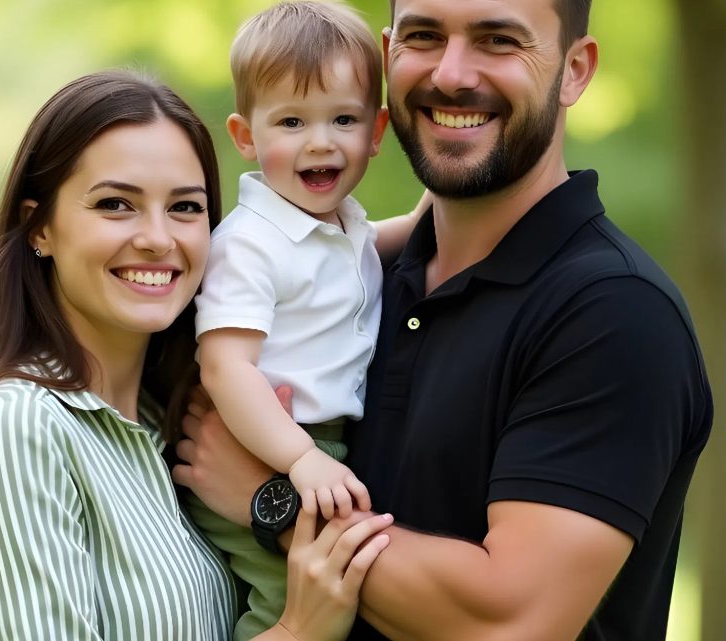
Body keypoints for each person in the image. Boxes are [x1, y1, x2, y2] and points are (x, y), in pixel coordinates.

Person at [174, 0, 714, 639]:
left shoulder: (613, 314)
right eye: (424, 36)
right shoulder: (371, 271)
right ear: (388, 54)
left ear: (574, 69)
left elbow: (508, 622)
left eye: (497, 40)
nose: (452, 74)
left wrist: (275, 505)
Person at [0, 69, 393, 641]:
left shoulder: (175, 429)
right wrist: (298, 631)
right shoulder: (18, 428)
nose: (159, 238)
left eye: (186, 208)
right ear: (39, 226)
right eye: (116, 204)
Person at [189, 3, 423, 639]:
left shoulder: (341, 224)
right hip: (272, 443)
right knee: (290, 597)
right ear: (246, 136)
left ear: (376, 131)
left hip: (323, 447)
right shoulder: (251, 243)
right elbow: (224, 364)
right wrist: (298, 461)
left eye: (343, 119)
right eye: (291, 121)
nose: (320, 141)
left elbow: (380, 241)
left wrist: (443, 199)